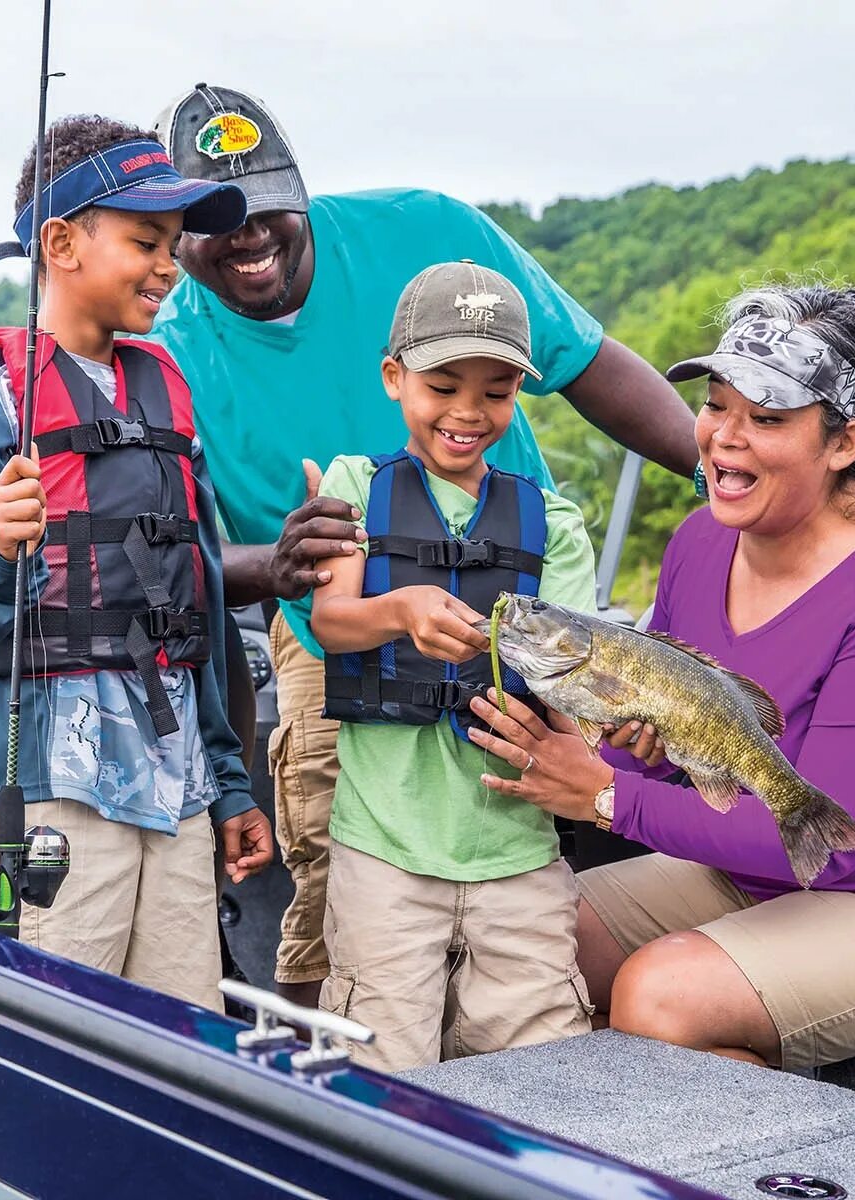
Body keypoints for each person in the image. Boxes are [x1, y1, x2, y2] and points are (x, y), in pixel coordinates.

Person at [147, 82, 698, 1006]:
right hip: (334, 618)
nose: (248, 236)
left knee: (543, 804)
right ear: (174, 233)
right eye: (212, 218)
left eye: (268, 206)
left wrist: (727, 481)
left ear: (301, 189)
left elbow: (588, 362)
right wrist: (230, 777)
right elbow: (196, 575)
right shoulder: (169, 357)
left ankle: (532, 1032)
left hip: (522, 593)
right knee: (334, 853)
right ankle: (350, 1056)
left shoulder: (434, 233)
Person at [467, 282, 855, 1070]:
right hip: (752, 871)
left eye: (767, 418)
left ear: (844, 443)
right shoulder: (699, 541)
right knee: (518, 942)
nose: (724, 439)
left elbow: (832, 845)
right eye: (717, 404)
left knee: (657, 998)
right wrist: (622, 750)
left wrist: (600, 794)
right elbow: (672, 743)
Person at [0, 115, 274, 1012]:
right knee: (67, 1031)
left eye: (174, 244)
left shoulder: (166, 389)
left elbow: (202, 599)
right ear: (62, 243)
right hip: (53, 790)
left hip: (180, 783)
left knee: (189, 1036)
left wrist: (229, 785)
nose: (169, 264)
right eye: (147, 241)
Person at [309, 262, 598, 1071]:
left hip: (521, 861)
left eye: (497, 390)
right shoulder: (352, 487)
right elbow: (332, 621)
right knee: (380, 1075)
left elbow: (571, 675)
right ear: (395, 378)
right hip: (384, 855)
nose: (469, 411)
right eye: (444, 384)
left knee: (544, 1076)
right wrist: (401, 610)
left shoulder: (558, 523)